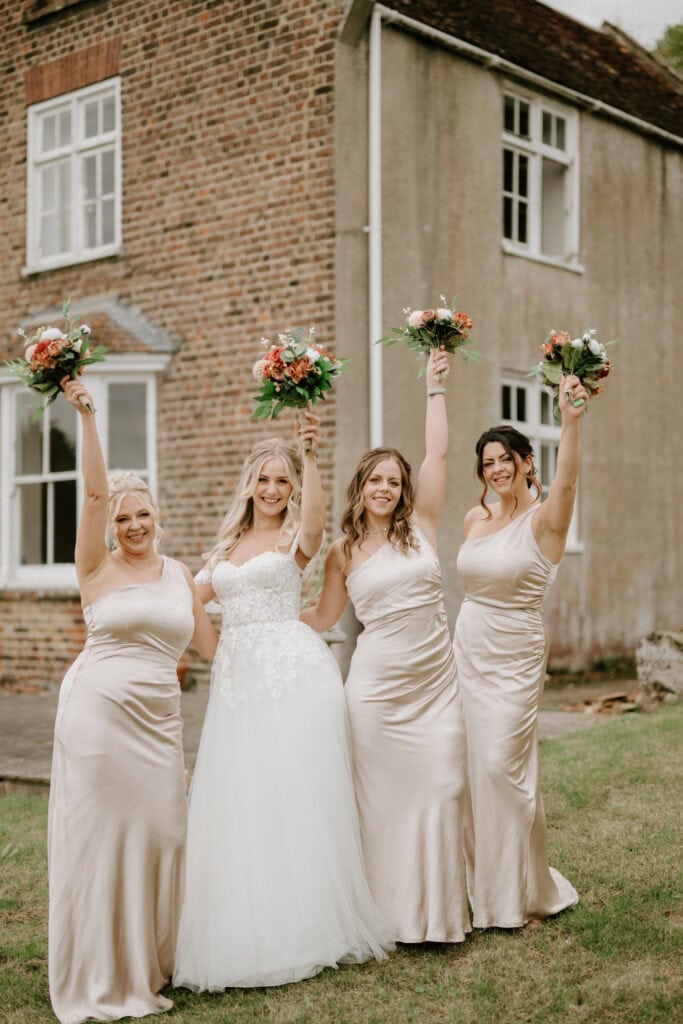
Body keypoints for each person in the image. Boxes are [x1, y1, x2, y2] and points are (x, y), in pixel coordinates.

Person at [173, 409, 391, 991]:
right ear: (249, 483)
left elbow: (318, 530)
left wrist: (311, 455)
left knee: (296, 794)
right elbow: (188, 600)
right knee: (244, 798)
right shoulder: (226, 545)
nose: (272, 489)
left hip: (293, 673)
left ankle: (308, 925)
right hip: (238, 680)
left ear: (293, 488)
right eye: (264, 479)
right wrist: (214, 649)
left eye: (283, 480)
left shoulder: (295, 539)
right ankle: (251, 926)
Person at [48, 378, 217, 1024]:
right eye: (122, 518)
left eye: (142, 513)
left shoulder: (179, 575)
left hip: (158, 721)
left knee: (163, 833)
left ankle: (149, 963)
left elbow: (209, 644)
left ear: (158, 517)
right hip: (98, 717)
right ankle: (100, 972)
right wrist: (87, 416)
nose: (133, 524)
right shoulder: (95, 568)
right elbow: (91, 494)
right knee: (105, 839)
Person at [301, 350, 470, 944]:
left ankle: (440, 914)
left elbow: (440, 454)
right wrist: (262, 620)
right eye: (376, 479)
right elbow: (323, 615)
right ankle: (387, 919)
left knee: (444, 786)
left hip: (435, 682)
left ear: (404, 491)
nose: (386, 488)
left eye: (394, 481)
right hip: (374, 692)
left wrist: (434, 388)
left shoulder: (423, 524)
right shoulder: (342, 553)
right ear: (361, 487)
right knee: (381, 806)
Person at [452, 374, 586, 929]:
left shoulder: (546, 520)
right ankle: (492, 887)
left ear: (528, 461)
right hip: (467, 651)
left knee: (502, 770)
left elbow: (571, 481)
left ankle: (515, 899)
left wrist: (571, 419)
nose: (496, 469)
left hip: (515, 655)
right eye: (487, 463)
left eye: (505, 459)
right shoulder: (475, 518)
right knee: (468, 772)